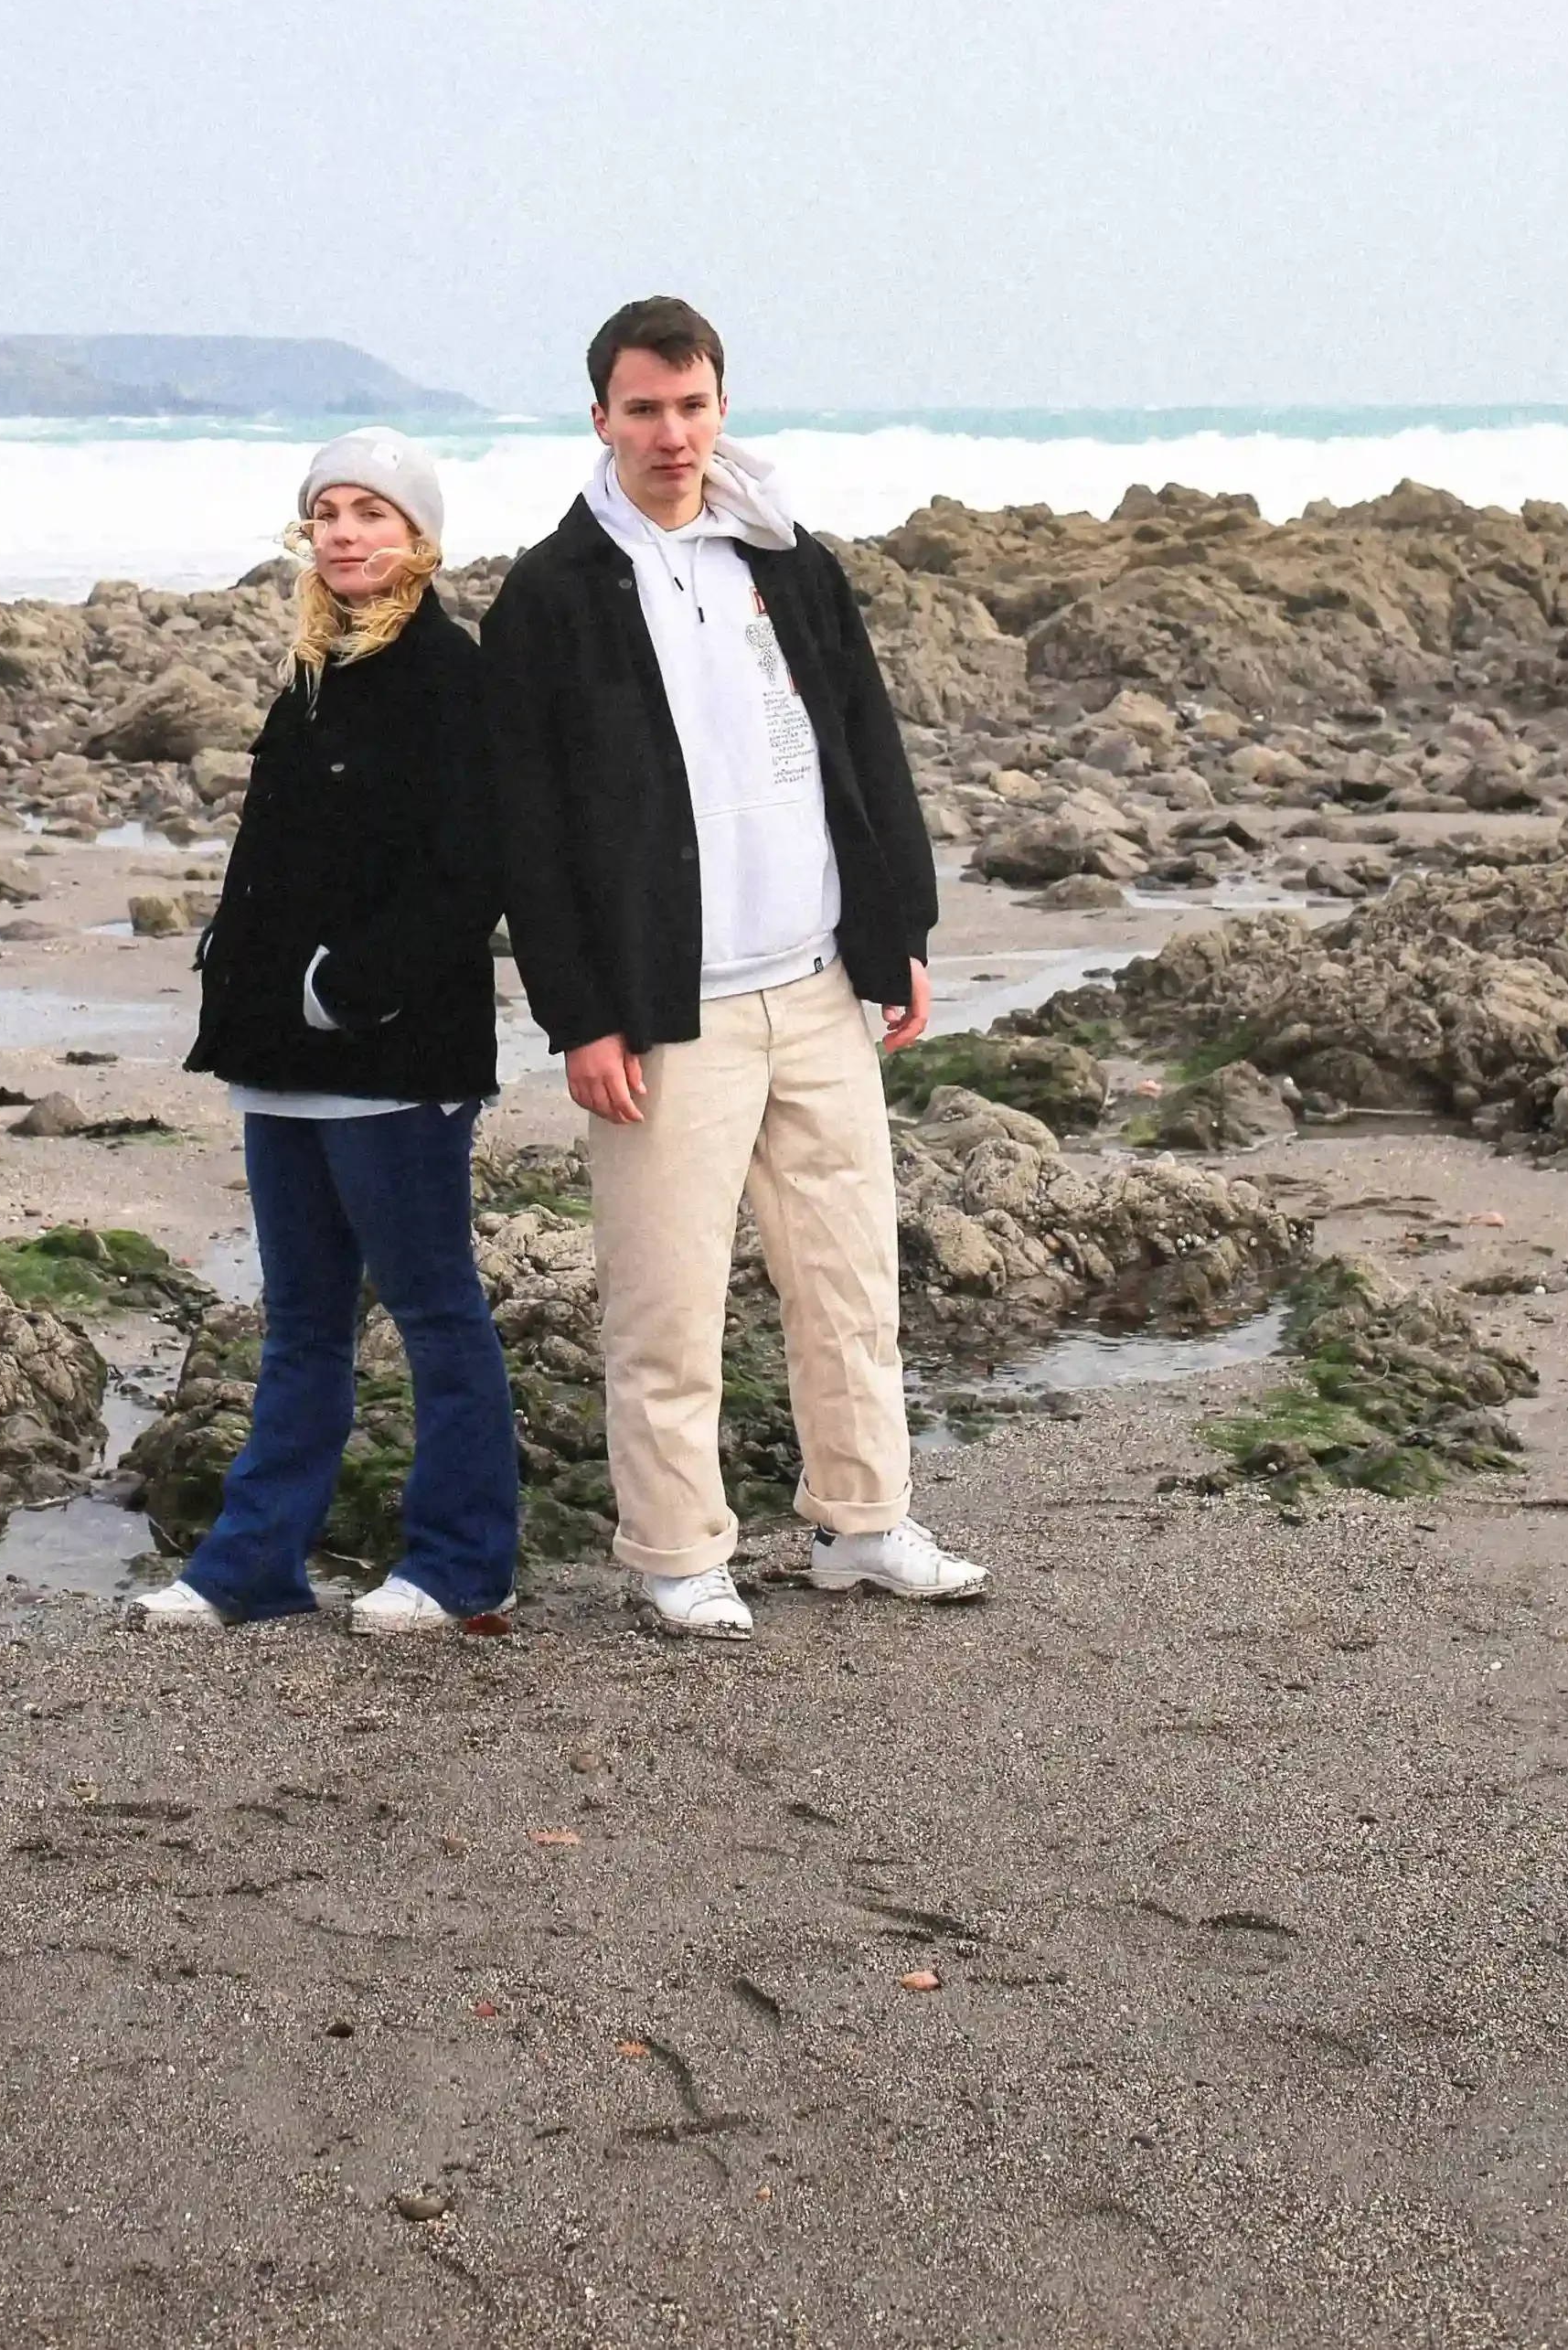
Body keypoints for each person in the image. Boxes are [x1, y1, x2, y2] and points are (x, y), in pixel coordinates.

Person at [479, 298, 987, 1639]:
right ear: (600, 417)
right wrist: (581, 1015)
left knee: (848, 1275)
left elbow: (863, 752)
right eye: (642, 408)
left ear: (722, 408)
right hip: (666, 1010)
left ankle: (863, 1521)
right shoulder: (552, 593)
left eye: (692, 404)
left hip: (817, 984)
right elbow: (526, 831)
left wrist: (899, 938)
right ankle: (673, 1549)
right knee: (668, 1296)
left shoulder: (789, 560)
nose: (670, 432)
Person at [130, 429, 519, 1635]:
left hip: (392, 1064)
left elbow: (473, 868)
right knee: (299, 1325)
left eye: (374, 512)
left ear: (420, 537)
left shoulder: (449, 677)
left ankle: (464, 1562)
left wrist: (348, 988)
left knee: (436, 1313)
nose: (347, 531)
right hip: (281, 1064)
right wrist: (244, 988)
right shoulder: (312, 674)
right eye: (329, 511)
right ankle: (253, 1562)